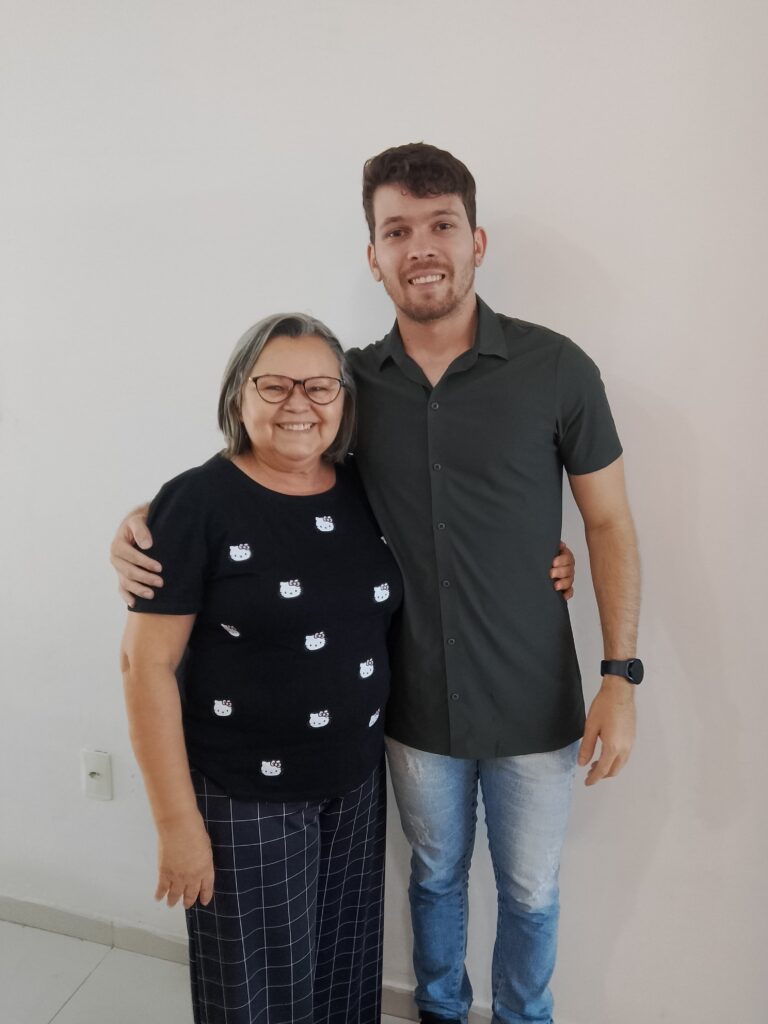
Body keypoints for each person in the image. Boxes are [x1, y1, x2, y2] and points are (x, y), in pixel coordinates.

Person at [112, 141, 634, 1024]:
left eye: (441, 225)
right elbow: (264, 458)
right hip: (412, 708)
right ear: (373, 255)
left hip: (533, 696)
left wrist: (620, 674)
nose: (420, 246)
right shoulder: (348, 381)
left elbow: (610, 522)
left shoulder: (556, 368)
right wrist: (145, 521)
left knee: (532, 892)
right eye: (397, 230)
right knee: (432, 881)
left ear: (476, 241)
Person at [120, 312, 405, 1024]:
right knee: (258, 1004)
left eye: (319, 386)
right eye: (274, 385)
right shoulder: (196, 502)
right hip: (243, 795)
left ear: (343, 399)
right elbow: (143, 666)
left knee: (343, 989)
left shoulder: (365, 488)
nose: (298, 404)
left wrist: (545, 559)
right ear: (238, 396)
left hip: (355, 786)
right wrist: (177, 824)